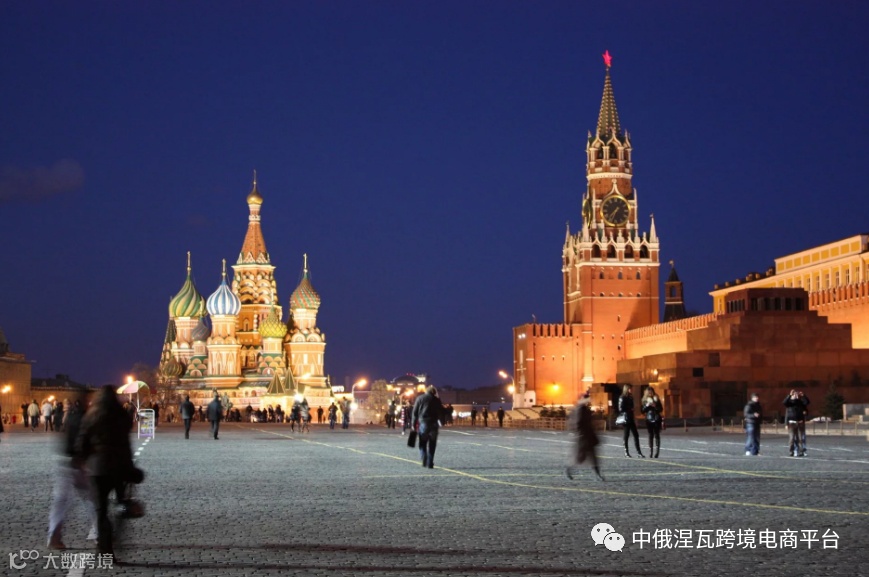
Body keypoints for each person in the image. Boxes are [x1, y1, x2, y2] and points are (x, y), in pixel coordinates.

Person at [76, 385, 141, 557]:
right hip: (119, 467)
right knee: (121, 503)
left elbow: (82, 442)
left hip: (97, 468)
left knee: (101, 510)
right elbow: (126, 442)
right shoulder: (121, 415)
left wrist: (83, 459)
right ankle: (117, 535)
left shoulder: (91, 415)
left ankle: (105, 547)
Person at [47, 395, 97, 549]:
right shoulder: (87, 419)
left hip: (64, 461)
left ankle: (54, 536)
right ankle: (100, 534)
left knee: (61, 501)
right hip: (78, 463)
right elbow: (86, 441)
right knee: (91, 499)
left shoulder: (70, 417)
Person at [565, 392, 603, 481]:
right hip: (582, 438)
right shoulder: (579, 409)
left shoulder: (585, 409)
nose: (588, 401)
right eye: (586, 399)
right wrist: (579, 433)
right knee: (579, 457)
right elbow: (577, 423)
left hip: (588, 437)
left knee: (593, 457)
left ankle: (598, 474)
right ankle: (568, 470)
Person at [412, 385, 444, 469]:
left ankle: (424, 456)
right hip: (434, 424)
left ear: (426, 391)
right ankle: (430, 462)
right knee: (432, 444)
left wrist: (413, 424)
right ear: (434, 392)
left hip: (423, 423)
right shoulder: (437, 400)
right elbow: (441, 412)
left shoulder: (420, 398)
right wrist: (441, 422)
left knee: (422, 443)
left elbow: (415, 412)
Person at [618, 385, 645, 458]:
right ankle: (626, 452)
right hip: (626, 418)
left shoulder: (630, 397)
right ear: (627, 389)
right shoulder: (622, 397)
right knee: (626, 435)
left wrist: (634, 416)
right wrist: (629, 409)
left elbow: (632, 408)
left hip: (631, 418)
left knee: (636, 435)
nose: (631, 390)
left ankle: (639, 452)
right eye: (630, 389)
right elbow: (620, 408)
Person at [783, 389, 810, 457]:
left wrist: (803, 396)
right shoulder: (789, 403)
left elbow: (807, 402)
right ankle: (792, 451)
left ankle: (802, 451)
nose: (795, 395)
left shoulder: (800, 402)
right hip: (792, 423)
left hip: (800, 422)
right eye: (794, 394)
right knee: (792, 438)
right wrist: (789, 395)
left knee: (801, 438)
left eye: (796, 394)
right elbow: (784, 403)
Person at [641, 388, 663, 458]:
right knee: (650, 435)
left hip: (656, 419)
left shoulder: (656, 399)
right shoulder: (644, 400)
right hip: (649, 419)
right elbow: (642, 411)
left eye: (651, 392)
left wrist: (655, 406)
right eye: (649, 392)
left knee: (657, 435)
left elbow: (661, 409)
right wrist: (647, 406)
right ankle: (650, 452)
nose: (650, 393)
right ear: (646, 393)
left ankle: (657, 452)